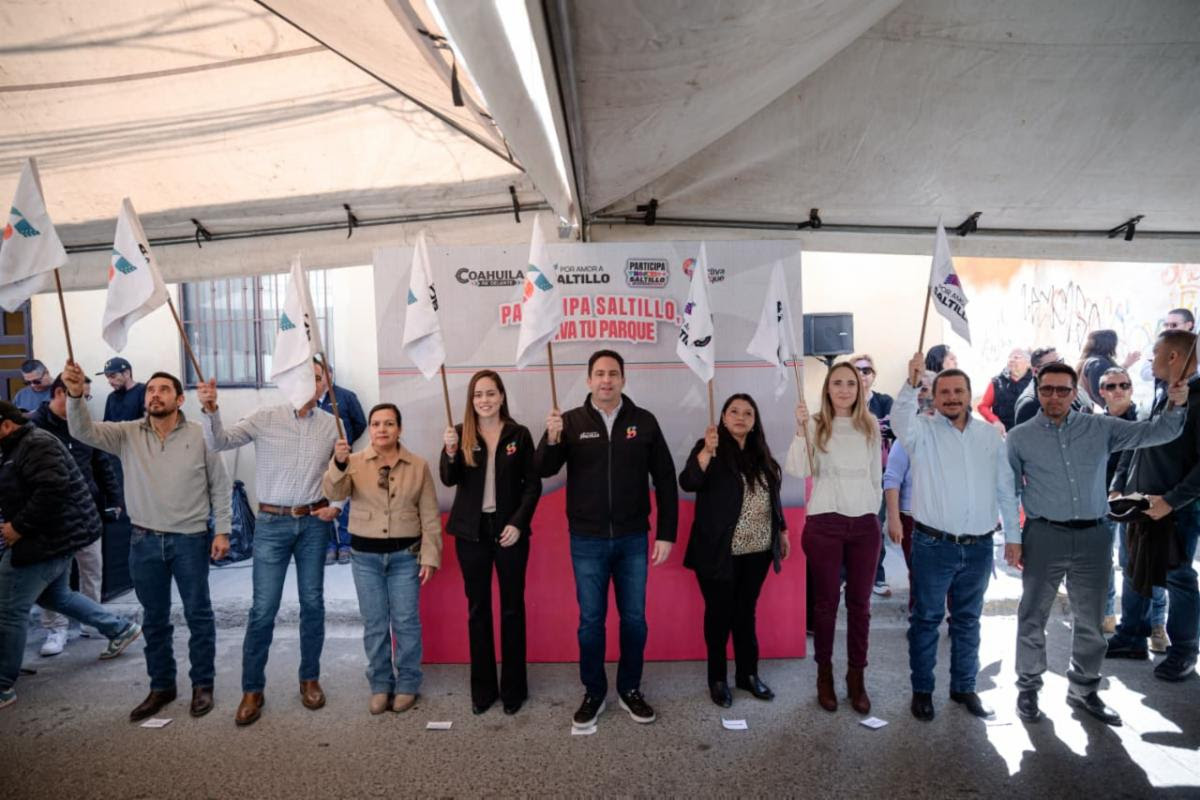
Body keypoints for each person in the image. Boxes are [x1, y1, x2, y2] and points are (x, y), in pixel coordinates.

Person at [1005, 361, 1189, 726]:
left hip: (1094, 537)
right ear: (1037, 392)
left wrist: (1178, 404)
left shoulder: (1100, 427)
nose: (1054, 397)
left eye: (1062, 390)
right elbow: (1008, 492)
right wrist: (1013, 539)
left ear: (1075, 392)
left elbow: (1158, 432)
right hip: (1044, 535)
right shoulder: (1020, 437)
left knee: (1091, 620)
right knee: (1032, 616)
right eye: (1047, 389)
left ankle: (1084, 689)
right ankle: (1028, 688)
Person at [63, 362, 232, 722]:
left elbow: (220, 486)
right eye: (151, 390)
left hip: (190, 539)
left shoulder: (201, 435)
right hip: (143, 540)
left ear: (179, 399)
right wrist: (75, 396)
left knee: (199, 615)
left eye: (164, 390)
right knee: (154, 620)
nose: (155, 395)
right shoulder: (127, 434)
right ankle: (161, 686)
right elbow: (81, 430)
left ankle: (203, 684)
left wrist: (222, 530)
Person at [536, 349, 677, 729]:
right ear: (588, 380)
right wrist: (551, 439)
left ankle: (630, 689)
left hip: (633, 539)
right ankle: (594, 692)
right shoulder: (570, 421)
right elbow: (543, 468)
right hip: (587, 540)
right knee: (590, 623)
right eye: (599, 373)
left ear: (623, 379)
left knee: (634, 621)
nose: (606, 380)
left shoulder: (644, 421)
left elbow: (665, 478)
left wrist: (666, 533)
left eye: (613, 373)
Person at [197, 361, 342, 726]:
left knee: (313, 604)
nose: (312, 382)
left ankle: (310, 679)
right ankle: (252, 689)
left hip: (313, 524)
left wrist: (337, 505)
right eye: (306, 376)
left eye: (319, 378)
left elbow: (343, 472)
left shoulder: (332, 425)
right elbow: (219, 441)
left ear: (326, 385)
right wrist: (211, 410)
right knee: (263, 609)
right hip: (271, 524)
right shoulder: (265, 416)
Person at [893, 354, 1019, 721]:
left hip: (979, 547)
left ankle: (964, 686)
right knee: (926, 620)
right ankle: (922, 691)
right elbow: (900, 419)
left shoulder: (989, 436)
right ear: (933, 396)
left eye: (958, 391)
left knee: (968, 620)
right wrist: (910, 384)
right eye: (944, 392)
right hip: (933, 546)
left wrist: (1014, 537)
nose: (951, 397)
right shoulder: (920, 432)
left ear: (969, 394)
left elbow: (1005, 488)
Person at [0, 400, 142, 710]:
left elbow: (52, 491)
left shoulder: (35, 444)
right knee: (57, 596)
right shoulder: (18, 445)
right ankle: (119, 628)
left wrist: (18, 527)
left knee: (8, 610)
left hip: (44, 540)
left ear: (6, 425)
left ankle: (3, 685)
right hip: (54, 537)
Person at [323, 403, 441, 715]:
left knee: (406, 622)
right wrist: (338, 462)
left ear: (399, 429)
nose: (382, 429)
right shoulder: (354, 462)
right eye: (376, 424)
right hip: (365, 559)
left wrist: (430, 556)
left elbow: (430, 515)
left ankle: (408, 683)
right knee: (375, 623)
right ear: (370, 430)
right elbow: (334, 490)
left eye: (389, 423)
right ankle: (380, 683)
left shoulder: (418, 466)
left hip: (405, 557)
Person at [440, 370, 541, 716]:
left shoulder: (519, 434)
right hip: (472, 533)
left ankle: (514, 689)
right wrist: (450, 451)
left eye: (490, 393)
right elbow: (449, 478)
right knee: (478, 610)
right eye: (478, 395)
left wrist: (518, 523)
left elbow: (532, 485)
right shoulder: (460, 434)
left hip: (509, 530)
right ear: (472, 400)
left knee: (512, 608)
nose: (484, 400)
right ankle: (483, 691)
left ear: (501, 397)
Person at [680, 393, 788, 708]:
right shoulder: (709, 450)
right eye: (734, 412)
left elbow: (772, 498)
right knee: (718, 616)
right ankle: (717, 679)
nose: (741, 417)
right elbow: (688, 482)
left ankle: (748, 675)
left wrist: (782, 530)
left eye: (748, 413)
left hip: (758, 551)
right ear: (723, 418)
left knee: (745, 613)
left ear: (755, 422)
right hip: (718, 552)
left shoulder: (761, 455)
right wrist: (705, 452)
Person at [785, 361, 882, 714]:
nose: (844, 389)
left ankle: (856, 678)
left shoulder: (870, 425)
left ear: (860, 388)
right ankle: (823, 676)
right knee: (825, 605)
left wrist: (870, 511)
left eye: (850, 383)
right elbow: (798, 469)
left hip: (864, 525)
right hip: (825, 522)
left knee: (860, 606)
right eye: (837, 383)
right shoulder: (815, 424)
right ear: (827, 388)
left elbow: (875, 477)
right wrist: (800, 432)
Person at [1105, 331, 1200, 680]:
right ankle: (1132, 635)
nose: (1150, 358)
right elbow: (1137, 442)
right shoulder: (1159, 393)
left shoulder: (1197, 398)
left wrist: (1171, 501)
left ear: (1174, 357)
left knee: (1177, 577)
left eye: (1156, 351)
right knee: (1133, 567)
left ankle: (1184, 651)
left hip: (1175, 510)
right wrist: (1118, 485)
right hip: (1138, 504)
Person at [28, 375, 122, 656]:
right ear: (60, 393)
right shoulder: (34, 426)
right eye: (79, 395)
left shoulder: (84, 424)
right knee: (53, 575)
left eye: (86, 397)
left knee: (92, 568)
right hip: (50, 515)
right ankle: (55, 629)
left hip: (86, 510)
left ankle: (92, 621)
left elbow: (101, 461)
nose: (84, 402)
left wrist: (114, 498)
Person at [1090, 368, 1150, 636]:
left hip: (1134, 502)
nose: (1118, 391)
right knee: (1102, 561)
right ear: (1101, 392)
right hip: (1100, 500)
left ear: (1131, 388)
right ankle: (1107, 615)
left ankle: (1150, 624)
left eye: (1124, 385)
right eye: (1111, 386)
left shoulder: (1144, 419)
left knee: (1134, 563)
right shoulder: (1094, 424)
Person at [851, 354, 894, 598]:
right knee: (848, 526)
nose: (862, 374)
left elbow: (891, 428)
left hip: (878, 474)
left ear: (873, 375)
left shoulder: (884, 401)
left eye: (866, 370)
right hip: (849, 475)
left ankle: (877, 575)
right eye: (857, 370)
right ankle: (847, 575)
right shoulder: (843, 402)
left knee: (875, 526)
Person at [317, 360, 367, 565]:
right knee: (322, 501)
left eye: (322, 375)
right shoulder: (309, 400)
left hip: (342, 460)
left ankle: (346, 545)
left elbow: (360, 422)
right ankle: (329, 545)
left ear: (330, 375)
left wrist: (346, 444)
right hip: (318, 462)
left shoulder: (346, 397)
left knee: (343, 502)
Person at [1012, 346, 1090, 426]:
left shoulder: (1075, 389)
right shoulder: (1029, 405)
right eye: (1052, 366)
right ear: (1036, 372)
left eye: (1060, 362)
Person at [1076, 330, 1140, 409]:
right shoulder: (1098, 363)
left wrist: (1126, 365)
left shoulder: (1095, 361)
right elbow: (1098, 393)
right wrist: (1115, 410)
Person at [977, 348, 1033, 431]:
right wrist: (995, 421)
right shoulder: (997, 382)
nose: (1011, 360)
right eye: (1010, 357)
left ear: (1028, 363)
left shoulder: (1035, 382)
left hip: (1029, 432)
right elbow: (983, 406)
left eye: (1016, 357)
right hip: (1004, 433)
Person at [99, 357, 146, 423]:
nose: (110, 382)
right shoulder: (111, 397)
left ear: (127, 373)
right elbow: (107, 424)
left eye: (113, 376)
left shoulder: (144, 391)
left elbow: (150, 422)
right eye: (107, 377)